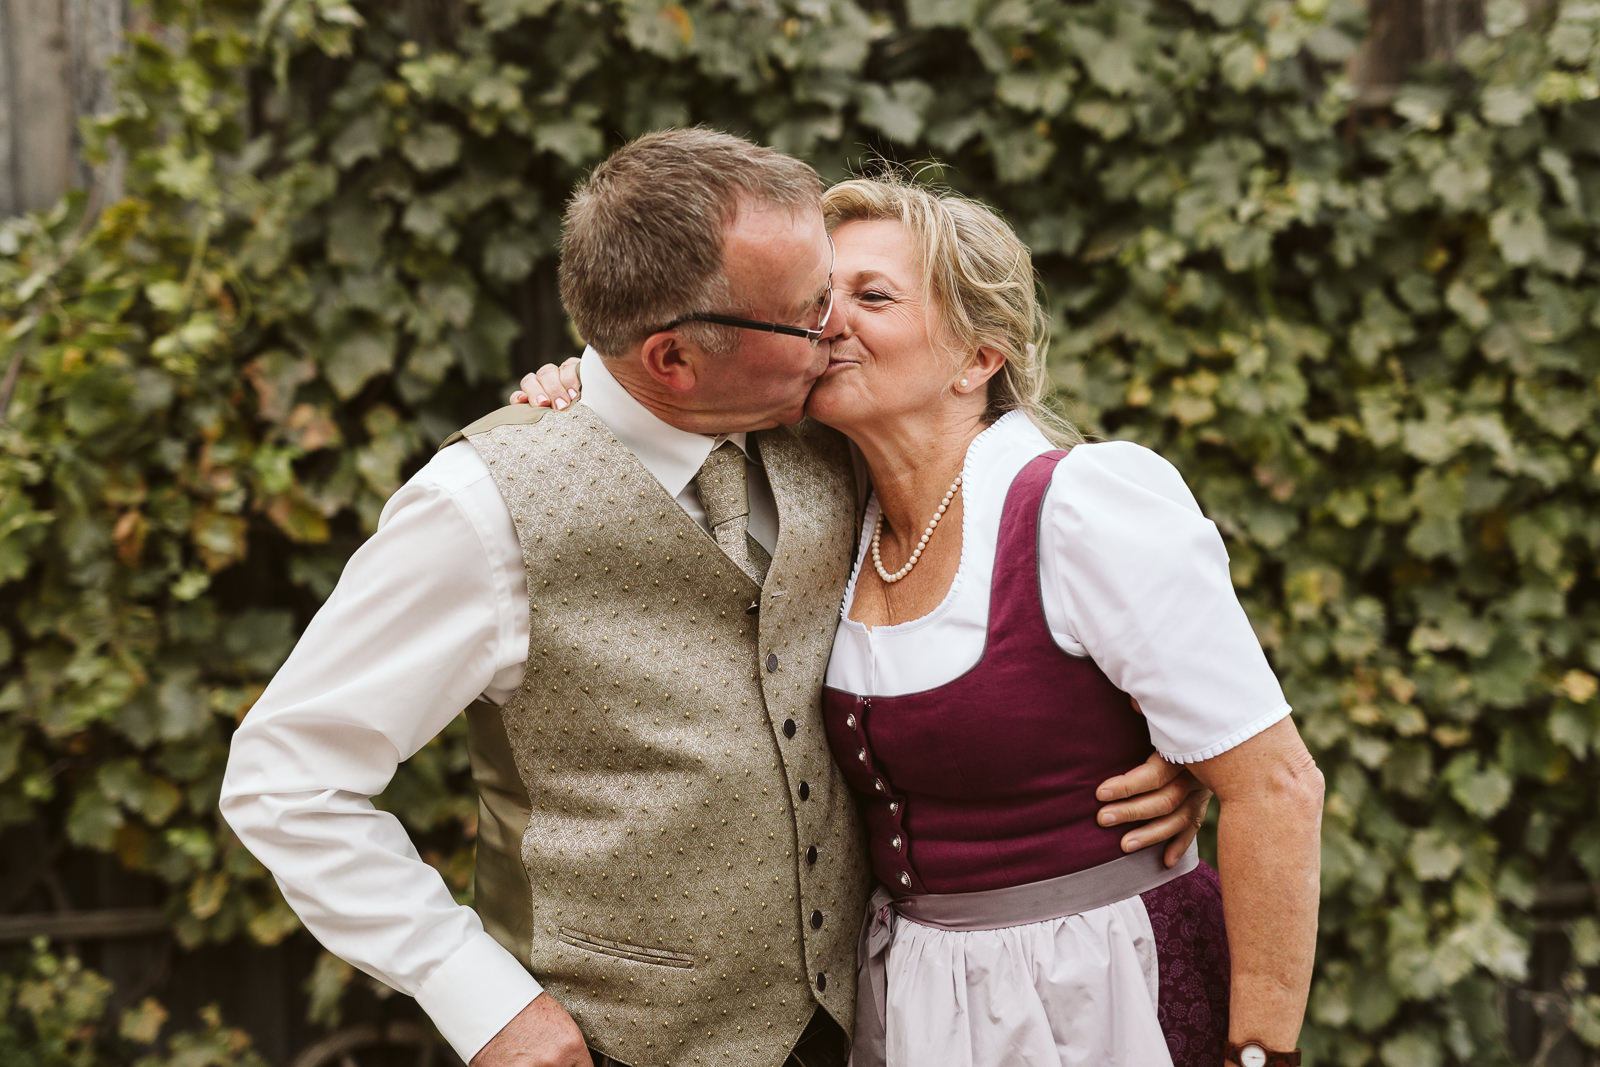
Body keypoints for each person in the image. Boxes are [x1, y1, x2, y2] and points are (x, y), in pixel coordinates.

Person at [219, 128, 1208, 1067]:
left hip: (873, 1023)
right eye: (810, 308)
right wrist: (478, 996)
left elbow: (1066, 573)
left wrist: (1178, 739)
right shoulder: (483, 508)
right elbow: (286, 775)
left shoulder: (836, 440)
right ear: (674, 358)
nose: (838, 330)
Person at [515, 172, 1324, 1067]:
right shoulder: (826, 506)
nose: (829, 321)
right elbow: (666, 386)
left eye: (873, 296)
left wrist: (1261, 1050)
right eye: (820, 298)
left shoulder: (1079, 505)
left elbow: (1278, 784)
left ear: (979, 357)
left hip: (1099, 989)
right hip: (914, 999)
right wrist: (584, 390)